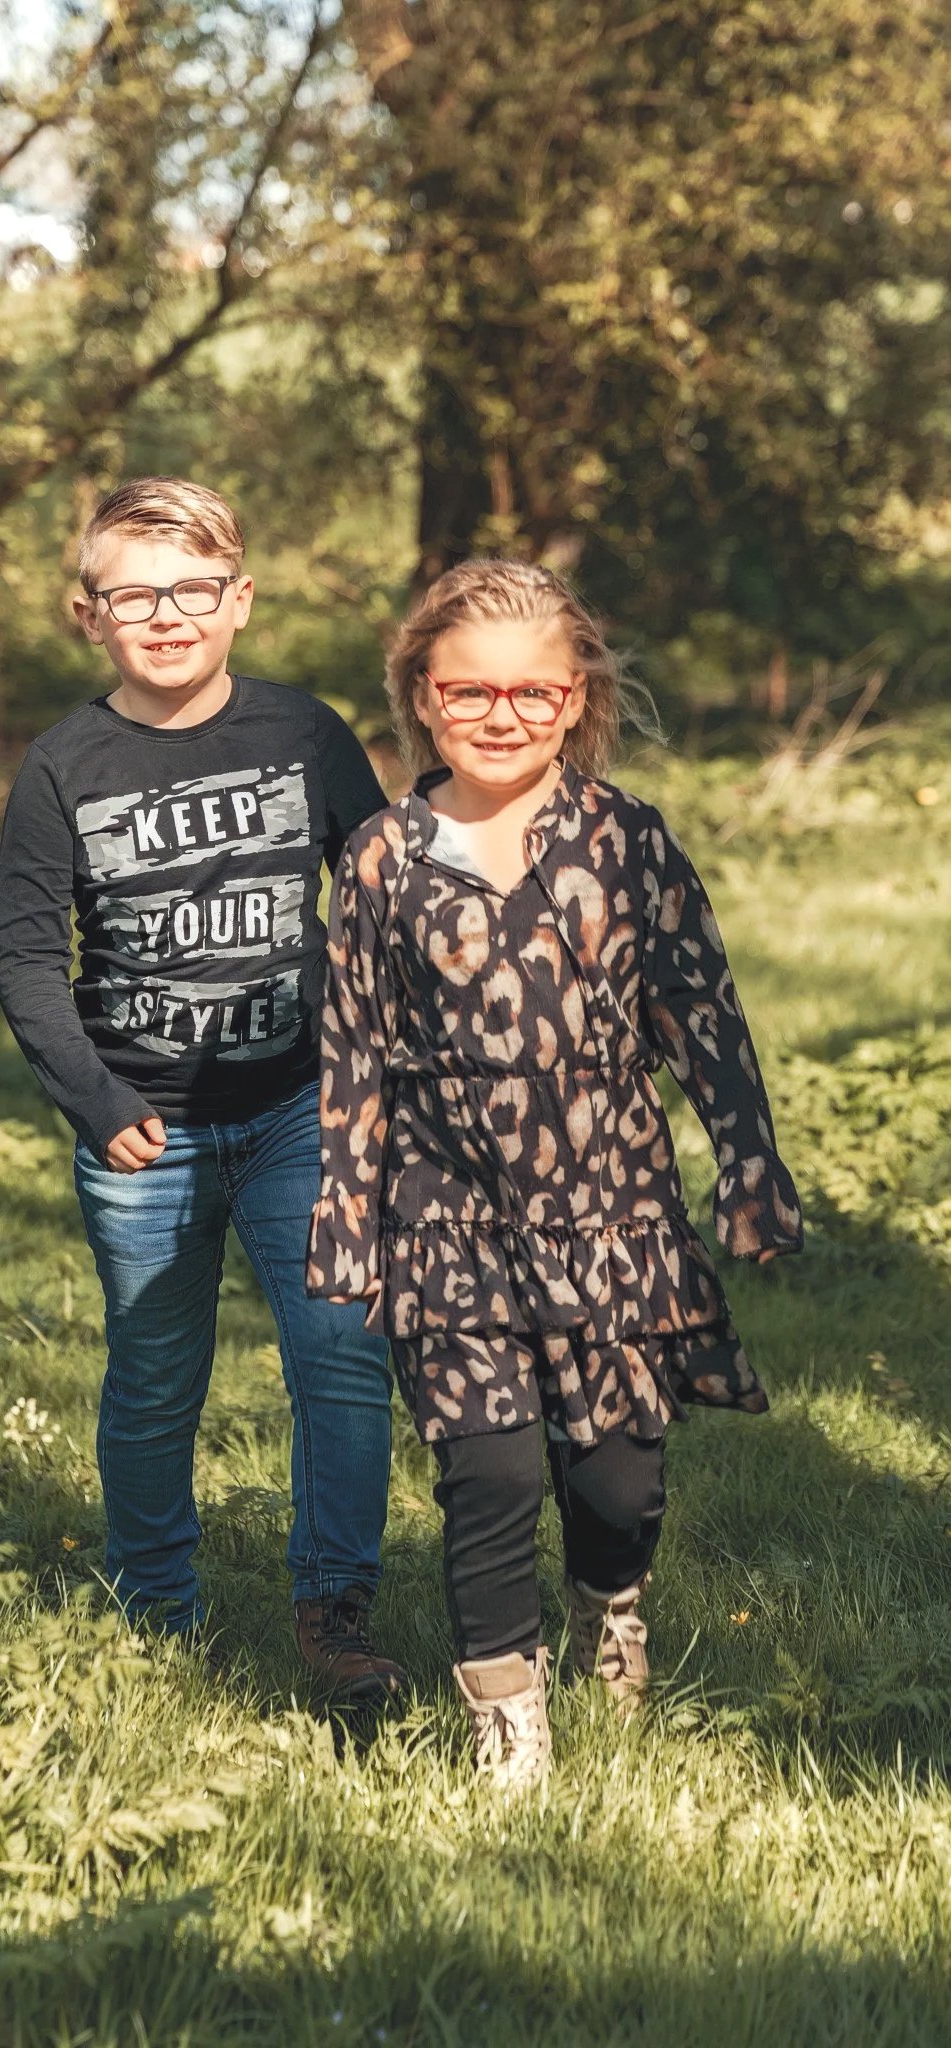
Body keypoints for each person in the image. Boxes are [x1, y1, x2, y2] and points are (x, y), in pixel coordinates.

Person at [307, 557, 803, 1785]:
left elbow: (703, 1014)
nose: (502, 714)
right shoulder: (380, 857)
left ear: (575, 697)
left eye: (533, 691)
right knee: (486, 1469)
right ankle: (508, 1725)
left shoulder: (625, 840)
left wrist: (749, 1163)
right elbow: (354, 1047)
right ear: (423, 695)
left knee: (615, 1478)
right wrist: (347, 1218)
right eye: (470, 690)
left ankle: (609, 1607)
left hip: (611, 1207)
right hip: (444, 1211)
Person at [0, 476, 404, 1702]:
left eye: (193, 590)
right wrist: (95, 1099)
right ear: (90, 614)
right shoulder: (63, 765)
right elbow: (27, 956)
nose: (166, 615)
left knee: (341, 1350)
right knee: (157, 1374)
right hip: (143, 1129)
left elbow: (382, 903)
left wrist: (383, 1075)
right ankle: (156, 1611)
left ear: (240, 599)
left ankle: (335, 1614)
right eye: (134, 596)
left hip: (299, 1108)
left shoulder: (305, 733)